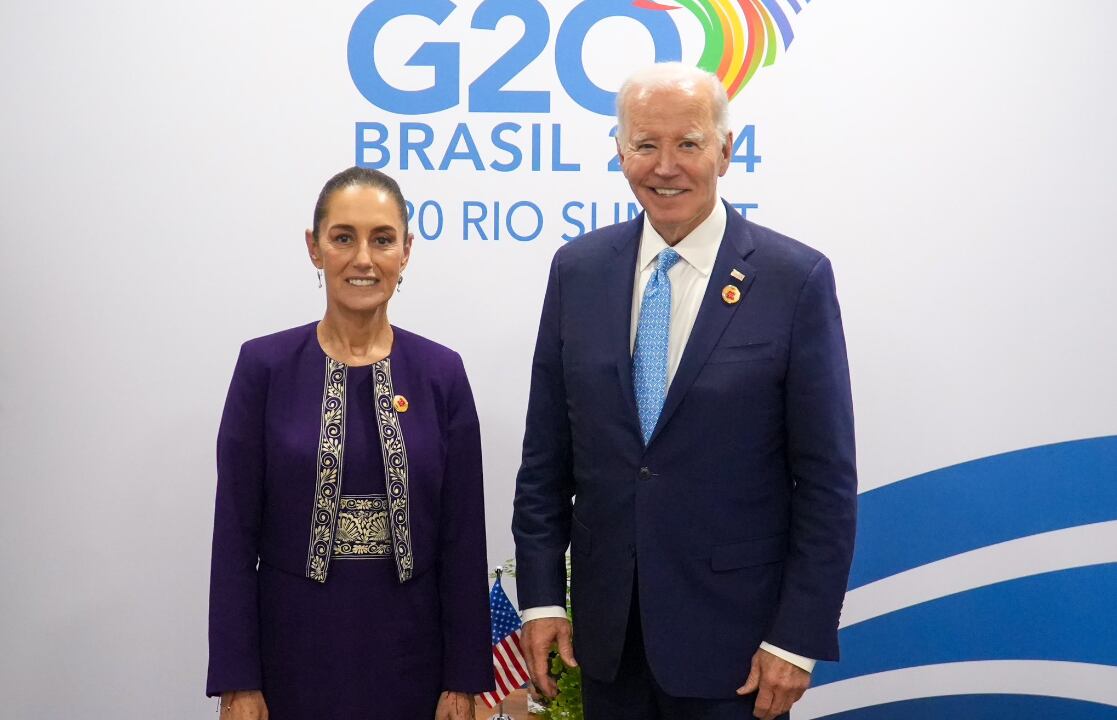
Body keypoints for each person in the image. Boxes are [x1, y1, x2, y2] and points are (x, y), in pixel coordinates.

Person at [511, 63, 857, 720]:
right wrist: (543, 600)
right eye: (645, 145)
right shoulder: (576, 272)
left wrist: (796, 638)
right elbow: (544, 461)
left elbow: (825, 483)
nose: (664, 166)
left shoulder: (794, 281)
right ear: (620, 153)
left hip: (737, 649)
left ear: (725, 150)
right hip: (608, 641)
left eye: (687, 144)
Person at [207, 167, 493, 719]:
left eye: (382, 239)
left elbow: (463, 539)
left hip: (414, 656)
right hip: (291, 655)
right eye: (343, 238)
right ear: (314, 249)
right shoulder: (263, 368)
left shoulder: (441, 373)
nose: (364, 258)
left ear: (406, 252)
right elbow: (235, 537)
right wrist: (238, 681)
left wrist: (463, 679)